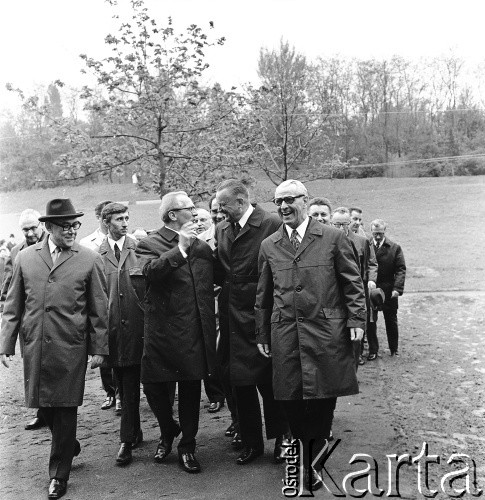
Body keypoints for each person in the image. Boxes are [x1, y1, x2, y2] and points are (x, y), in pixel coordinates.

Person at [255, 180, 366, 491]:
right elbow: (263, 295)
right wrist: (262, 332)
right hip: (286, 334)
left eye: (289, 200)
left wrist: (357, 318)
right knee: (290, 399)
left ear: (304, 201)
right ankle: (304, 456)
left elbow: (352, 282)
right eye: (278, 202)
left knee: (322, 400)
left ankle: (312, 464)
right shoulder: (269, 245)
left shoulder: (331, 237)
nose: (283, 207)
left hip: (325, 332)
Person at [0, 198, 108, 499]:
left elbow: (100, 309)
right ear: (48, 228)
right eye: (65, 226)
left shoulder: (88, 258)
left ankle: (59, 475)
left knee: (64, 408)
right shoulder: (25, 258)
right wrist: (6, 343)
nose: (72, 230)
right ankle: (67, 444)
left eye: (75, 225)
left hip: (70, 347)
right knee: (43, 406)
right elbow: (13, 305)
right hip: (34, 345)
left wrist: (99, 348)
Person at [135, 191, 217, 473]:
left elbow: (217, 278)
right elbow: (150, 273)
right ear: (172, 214)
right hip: (162, 333)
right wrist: (180, 248)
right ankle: (169, 430)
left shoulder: (203, 247)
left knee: (192, 389)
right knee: (154, 387)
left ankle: (188, 446)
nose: (195, 213)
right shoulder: (149, 242)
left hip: (195, 332)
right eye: (189, 208)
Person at [214, 179, 290, 465]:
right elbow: (218, 269)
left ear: (241, 202)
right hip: (232, 315)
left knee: (270, 381)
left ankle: (283, 438)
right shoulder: (221, 229)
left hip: (262, 312)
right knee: (240, 383)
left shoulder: (270, 223)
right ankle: (251, 442)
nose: (219, 210)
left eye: (223, 205)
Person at [99, 203, 145, 466]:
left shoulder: (139, 246)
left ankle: (131, 439)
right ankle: (130, 436)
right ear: (107, 222)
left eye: (127, 218)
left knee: (145, 387)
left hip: (140, 330)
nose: (125, 223)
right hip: (115, 333)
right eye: (119, 219)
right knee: (125, 387)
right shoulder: (97, 254)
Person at [0, 209, 48, 431]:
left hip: (55, 319)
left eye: (33, 228)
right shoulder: (17, 252)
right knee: (34, 370)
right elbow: (10, 289)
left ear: (42, 226)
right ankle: (42, 413)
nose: (29, 233)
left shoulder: (54, 245)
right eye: (25, 229)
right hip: (30, 323)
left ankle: (54, 415)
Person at [80, 200, 120, 413]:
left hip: (117, 296)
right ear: (100, 218)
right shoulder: (88, 242)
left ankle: (121, 392)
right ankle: (109, 392)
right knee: (102, 345)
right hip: (98, 298)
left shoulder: (125, 239)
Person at [331, 207, 378, 365]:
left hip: (357, 288)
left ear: (349, 223)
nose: (340, 228)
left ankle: (357, 356)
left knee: (357, 320)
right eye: (336, 224)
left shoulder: (361, 241)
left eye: (344, 224)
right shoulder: (327, 240)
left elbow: (369, 264)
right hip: (334, 289)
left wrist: (370, 280)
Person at [366, 219, 406, 359]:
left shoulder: (395, 247)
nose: (377, 236)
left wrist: (397, 288)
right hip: (372, 290)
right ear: (371, 231)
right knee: (371, 322)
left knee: (391, 320)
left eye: (380, 233)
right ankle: (373, 350)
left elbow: (401, 269)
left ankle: (393, 348)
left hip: (389, 290)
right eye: (375, 233)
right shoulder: (366, 244)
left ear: (385, 232)